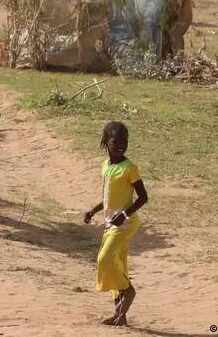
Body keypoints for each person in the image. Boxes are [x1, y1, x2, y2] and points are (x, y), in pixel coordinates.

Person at [82, 121, 148, 327]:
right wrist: (94, 210)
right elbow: (109, 197)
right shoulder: (105, 166)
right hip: (111, 223)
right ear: (105, 142)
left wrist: (125, 215)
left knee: (105, 259)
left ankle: (128, 290)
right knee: (117, 264)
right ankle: (120, 315)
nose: (121, 145)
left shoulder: (130, 168)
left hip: (126, 224)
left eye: (124, 141)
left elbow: (143, 197)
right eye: (115, 141)